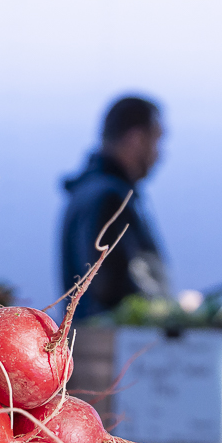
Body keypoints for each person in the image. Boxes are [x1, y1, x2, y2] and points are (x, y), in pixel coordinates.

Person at [59, 96, 170, 320]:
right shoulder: (108, 198)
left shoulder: (89, 191)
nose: (159, 155)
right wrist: (167, 310)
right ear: (136, 139)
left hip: (87, 341)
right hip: (114, 348)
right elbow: (112, 287)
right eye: (156, 140)